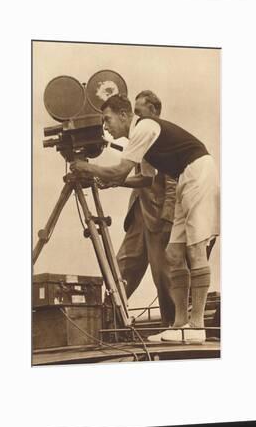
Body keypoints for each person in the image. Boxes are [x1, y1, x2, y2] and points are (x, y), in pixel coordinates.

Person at [71, 92, 219, 344]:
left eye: (108, 119)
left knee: (195, 249)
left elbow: (119, 171)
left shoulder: (144, 128)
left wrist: (86, 167)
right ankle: (180, 324)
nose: (105, 126)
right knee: (173, 254)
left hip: (198, 173)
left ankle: (196, 326)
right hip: (186, 176)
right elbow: (145, 179)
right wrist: (109, 182)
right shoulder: (141, 139)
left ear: (125, 115)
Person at [98, 93, 177, 327]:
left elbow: (172, 180)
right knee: (123, 267)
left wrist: (168, 217)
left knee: (164, 276)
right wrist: (113, 180)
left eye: (141, 111)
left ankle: (172, 326)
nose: (137, 117)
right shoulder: (141, 136)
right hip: (139, 214)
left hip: (159, 216)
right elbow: (137, 176)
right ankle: (108, 323)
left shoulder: (159, 137)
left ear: (154, 111)